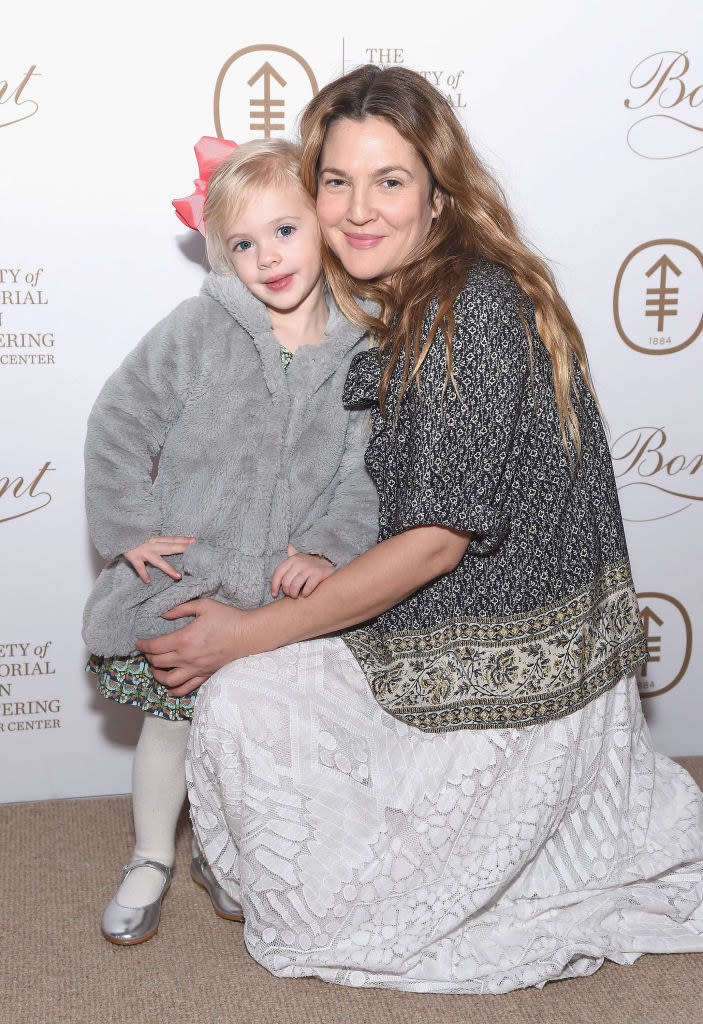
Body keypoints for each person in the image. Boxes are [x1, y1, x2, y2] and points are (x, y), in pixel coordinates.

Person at [140, 66, 703, 992]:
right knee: (253, 701)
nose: (358, 210)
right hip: (433, 638)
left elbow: (435, 540)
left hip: (515, 690)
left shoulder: (468, 308)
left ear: (438, 196)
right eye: (336, 181)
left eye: (389, 181)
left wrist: (238, 635)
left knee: (248, 702)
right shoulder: (401, 299)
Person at [82, 137, 378, 945]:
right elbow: (118, 421)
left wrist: (326, 548)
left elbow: (365, 470)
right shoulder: (196, 328)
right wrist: (128, 528)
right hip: (195, 573)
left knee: (264, 734)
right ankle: (150, 856)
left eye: (284, 231)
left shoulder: (364, 342)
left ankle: (228, 853)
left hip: (286, 590)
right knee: (174, 719)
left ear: (323, 225)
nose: (266, 258)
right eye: (241, 244)